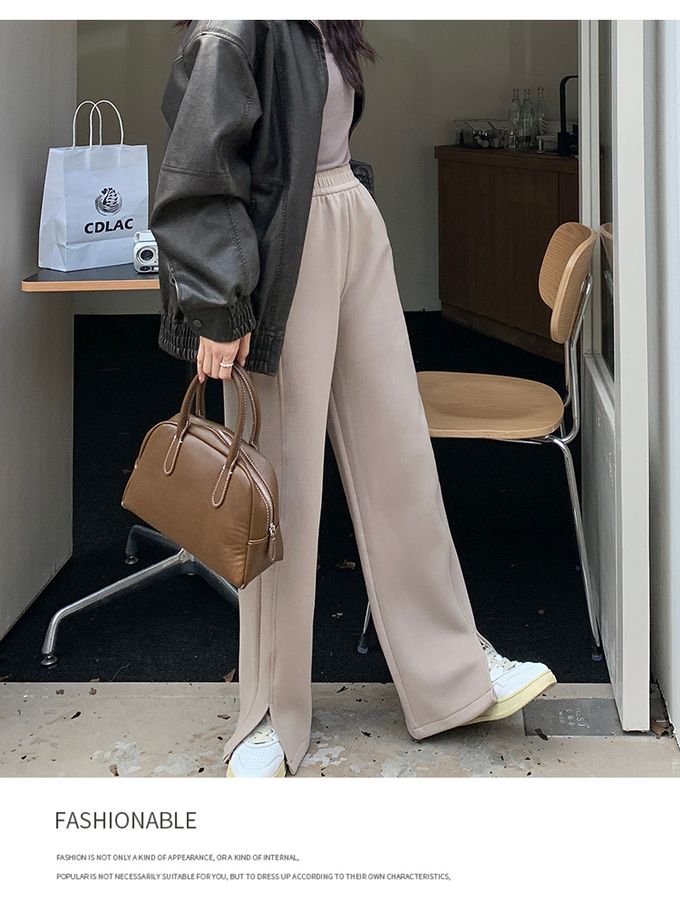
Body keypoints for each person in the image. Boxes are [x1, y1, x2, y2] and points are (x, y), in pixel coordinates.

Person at [150, 20, 557, 779]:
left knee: (399, 455)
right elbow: (198, 168)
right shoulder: (233, 25)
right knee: (281, 488)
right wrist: (216, 304)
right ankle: (267, 713)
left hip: (349, 219)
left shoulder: (321, 21)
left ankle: (455, 675)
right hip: (281, 251)